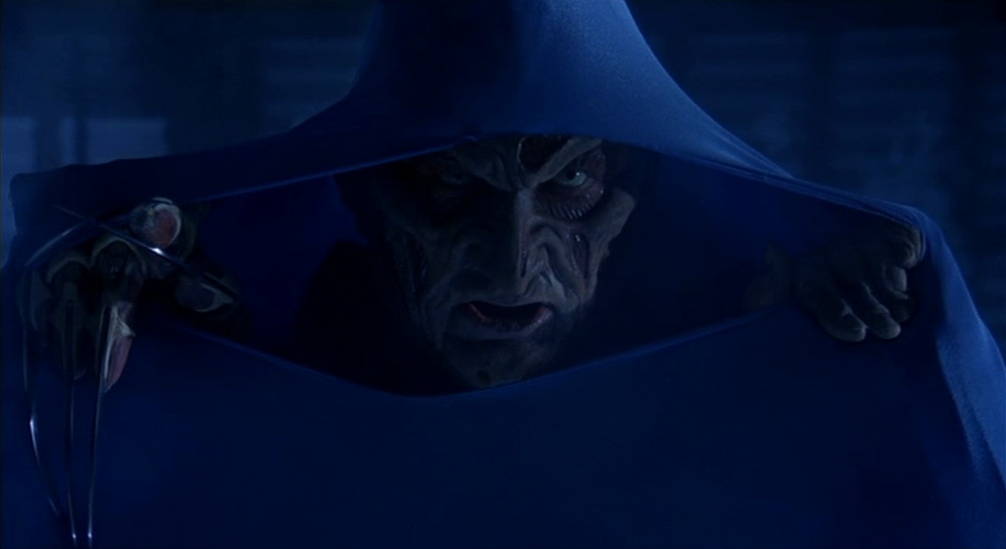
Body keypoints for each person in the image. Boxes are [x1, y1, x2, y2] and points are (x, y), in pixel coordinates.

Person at [2, 1, 1003, 547]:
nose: (512, 257)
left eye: (569, 186)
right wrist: (116, 327)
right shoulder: (278, 324)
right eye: (447, 188)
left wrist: (862, 345)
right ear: (364, 198)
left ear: (632, 195)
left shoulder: (723, 319)